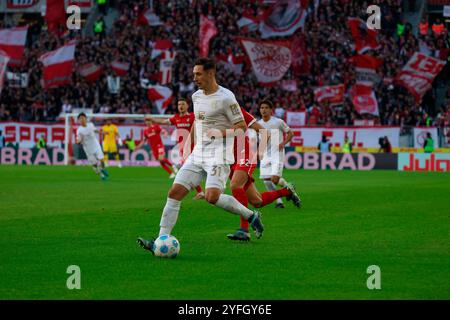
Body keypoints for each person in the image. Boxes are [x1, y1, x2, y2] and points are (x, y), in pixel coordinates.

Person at [137, 58, 264, 254]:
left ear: (211, 73)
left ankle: (250, 216)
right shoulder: (196, 97)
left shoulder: (226, 97)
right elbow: (197, 123)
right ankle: (160, 238)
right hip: (198, 154)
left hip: (219, 155)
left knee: (212, 197)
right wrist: (189, 145)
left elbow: (241, 128)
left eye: (198, 74)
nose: (194, 78)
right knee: (174, 193)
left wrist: (220, 133)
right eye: (194, 74)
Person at [226, 103, 301, 241]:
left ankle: (244, 230)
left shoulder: (237, 111)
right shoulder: (211, 115)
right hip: (230, 161)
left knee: (236, 185)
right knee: (257, 201)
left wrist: (258, 153)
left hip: (244, 154)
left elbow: (263, 132)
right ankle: (287, 191)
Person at [148, 97, 204, 199]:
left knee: (191, 169)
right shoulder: (176, 118)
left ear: (187, 106)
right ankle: (200, 191)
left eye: (183, 104)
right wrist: (153, 120)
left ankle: (204, 189)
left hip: (194, 146)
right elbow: (164, 122)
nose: (181, 106)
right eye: (179, 105)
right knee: (191, 170)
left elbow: (203, 120)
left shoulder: (192, 116)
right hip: (183, 148)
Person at [258, 100, 294, 209]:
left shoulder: (278, 122)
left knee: (274, 179)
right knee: (266, 181)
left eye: (266, 108)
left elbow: (290, 133)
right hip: (265, 155)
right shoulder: (258, 124)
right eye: (262, 108)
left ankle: (289, 189)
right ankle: (279, 202)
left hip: (277, 154)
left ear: (271, 110)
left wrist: (283, 143)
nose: (263, 110)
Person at [76, 113, 109, 180]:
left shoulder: (90, 125)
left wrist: (103, 133)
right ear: (78, 120)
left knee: (102, 159)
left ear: (86, 118)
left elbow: (95, 130)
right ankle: (102, 175)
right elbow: (77, 141)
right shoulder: (79, 130)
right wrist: (80, 140)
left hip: (95, 145)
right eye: (80, 119)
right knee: (95, 164)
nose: (82, 120)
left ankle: (102, 169)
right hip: (88, 149)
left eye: (83, 118)